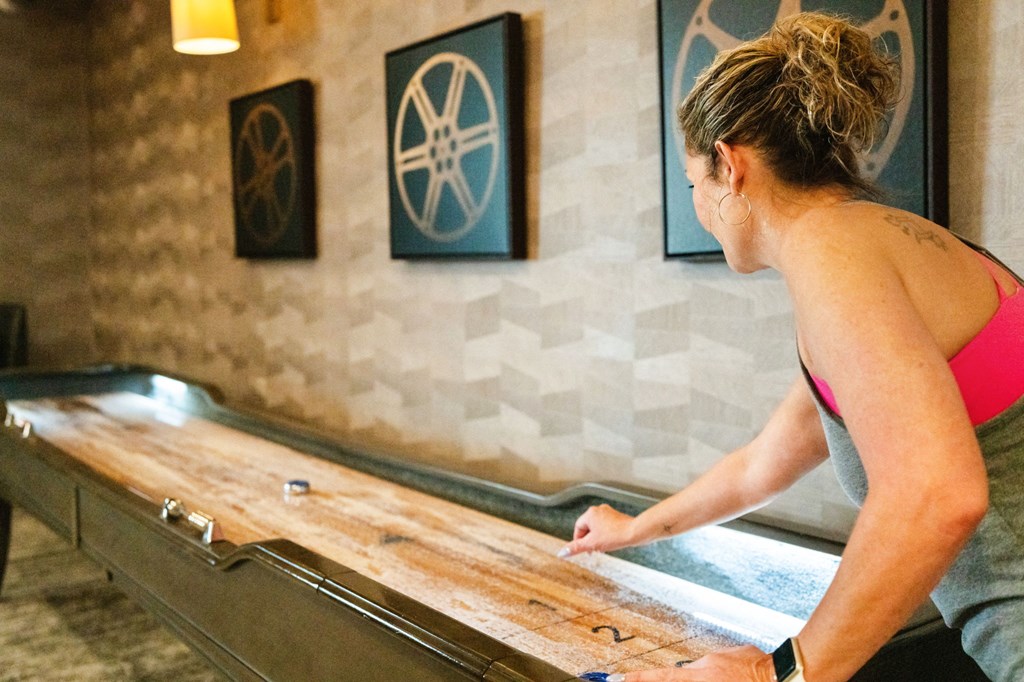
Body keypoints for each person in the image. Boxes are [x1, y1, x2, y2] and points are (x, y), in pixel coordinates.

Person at [558, 11, 1024, 682]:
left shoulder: (833, 257)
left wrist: (780, 674)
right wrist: (637, 528)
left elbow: (937, 493)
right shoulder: (881, 243)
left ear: (729, 163)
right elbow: (766, 464)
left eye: (696, 184)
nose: (698, 204)